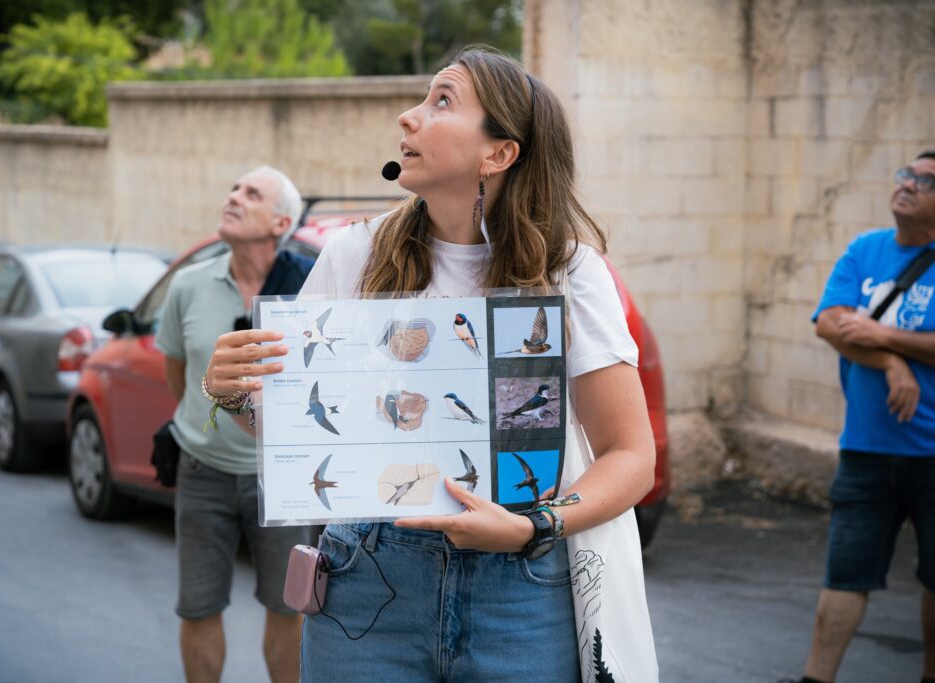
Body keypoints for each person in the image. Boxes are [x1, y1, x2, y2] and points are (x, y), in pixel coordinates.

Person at [202, 47, 656, 680]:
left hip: (520, 590)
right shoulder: (353, 253)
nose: (408, 116)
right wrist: (231, 392)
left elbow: (630, 455)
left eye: (442, 101)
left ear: (499, 153)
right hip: (367, 576)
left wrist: (533, 528)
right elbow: (297, 434)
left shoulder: (570, 272)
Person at [155, 166, 315, 683]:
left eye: (251, 193)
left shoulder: (310, 288)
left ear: (280, 223)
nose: (233, 197)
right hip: (202, 470)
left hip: (283, 476)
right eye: (233, 189)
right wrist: (206, 424)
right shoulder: (188, 285)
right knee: (198, 606)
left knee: (288, 605)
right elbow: (178, 373)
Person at [783, 151, 935, 683]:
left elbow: (856, 328)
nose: (908, 185)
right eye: (906, 175)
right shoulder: (865, 249)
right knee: (846, 574)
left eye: (926, 182)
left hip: (932, 451)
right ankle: (816, 679)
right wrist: (894, 362)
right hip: (865, 447)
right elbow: (829, 324)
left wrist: (881, 334)